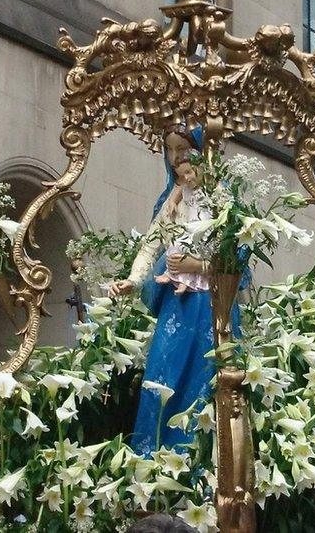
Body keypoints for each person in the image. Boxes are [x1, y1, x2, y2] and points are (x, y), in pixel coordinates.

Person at [109, 125, 239, 455]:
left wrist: (198, 266)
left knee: (204, 378)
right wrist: (135, 279)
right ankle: (153, 460)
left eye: (183, 147)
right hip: (176, 305)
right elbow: (152, 243)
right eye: (170, 149)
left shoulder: (221, 195)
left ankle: (198, 464)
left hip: (210, 303)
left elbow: (236, 253)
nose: (177, 155)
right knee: (161, 375)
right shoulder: (173, 199)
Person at [151, 152, 211, 294]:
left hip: (203, 227)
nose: (187, 178)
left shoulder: (209, 188)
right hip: (191, 226)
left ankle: (185, 281)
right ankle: (174, 276)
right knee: (176, 245)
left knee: (192, 251)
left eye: (189, 172)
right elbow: (177, 190)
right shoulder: (186, 187)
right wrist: (172, 202)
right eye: (182, 175)